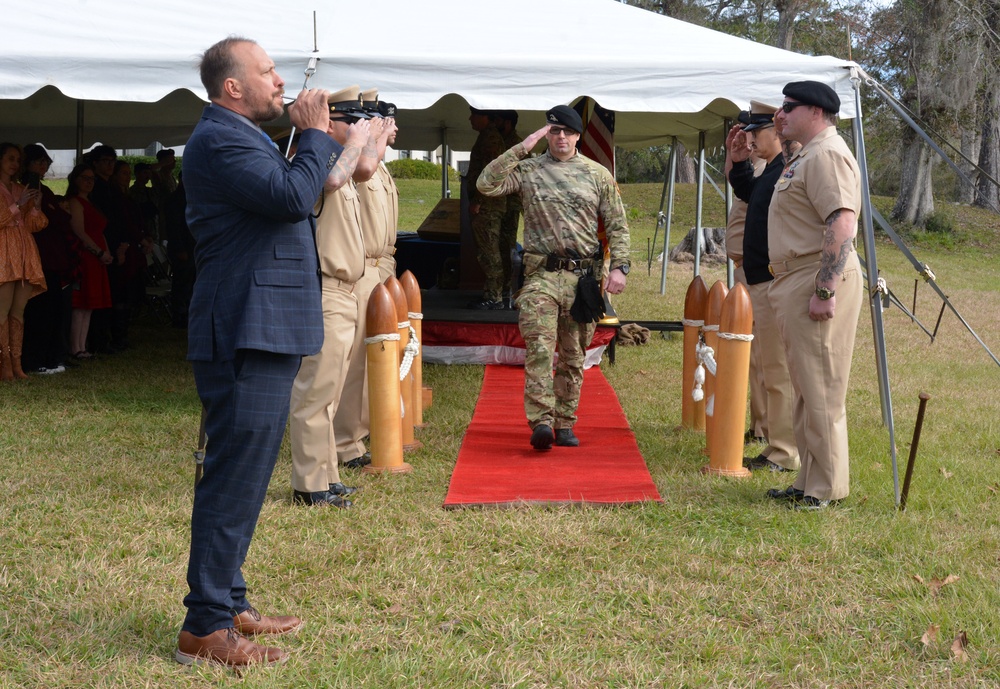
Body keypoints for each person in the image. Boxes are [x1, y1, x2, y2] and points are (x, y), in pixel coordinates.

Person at [175, 36, 341, 669]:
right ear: (233, 88)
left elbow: (293, 191)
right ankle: (205, 626)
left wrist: (326, 143)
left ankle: (229, 598)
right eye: (268, 71)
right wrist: (312, 133)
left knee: (245, 473)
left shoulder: (241, 137)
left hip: (262, 323)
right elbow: (291, 197)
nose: (280, 81)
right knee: (233, 474)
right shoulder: (219, 138)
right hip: (244, 325)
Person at [477, 105, 630, 450]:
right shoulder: (529, 169)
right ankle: (541, 422)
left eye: (568, 131)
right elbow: (486, 184)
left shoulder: (597, 174)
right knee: (540, 350)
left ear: (577, 136)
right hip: (541, 277)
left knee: (574, 355)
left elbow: (618, 224)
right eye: (555, 130)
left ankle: (565, 422)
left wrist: (620, 267)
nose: (561, 137)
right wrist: (522, 147)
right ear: (547, 133)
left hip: (583, 280)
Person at [763, 81, 863, 511]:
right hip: (795, 276)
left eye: (789, 107)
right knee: (806, 385)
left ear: (817, 111)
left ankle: (826, 489)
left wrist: (825, 286)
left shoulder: (826, 154)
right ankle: (808, 479)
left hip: (814, 276)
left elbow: (841, 221)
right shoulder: (805, 154)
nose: (779, 115)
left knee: (821, 385)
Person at [288, 85, 375, 507]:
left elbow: (361, 170)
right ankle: (308, 483)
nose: (358, 129)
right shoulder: (314, 160)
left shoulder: (343, 159)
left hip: (344, 290)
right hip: (324, 289)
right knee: (315, 392)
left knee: (332, 392)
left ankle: (327, 474)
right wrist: (357, 140)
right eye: (350, 122)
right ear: (328, 122)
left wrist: (364, 140)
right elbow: (332, 179)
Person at [726, 101, 800, 475]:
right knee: (768, 368)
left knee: (777, 369)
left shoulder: (790, 166)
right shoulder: (773, 168)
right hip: (761, 278)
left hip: (776, 280)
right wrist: (737, 161)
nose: (749, 139)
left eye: (756, 133)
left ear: (776, 131)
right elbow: (749, 194)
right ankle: (776, 442)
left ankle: (784, 451)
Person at [330, 89, 400, 472]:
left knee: (375, 356)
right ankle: (346, 443)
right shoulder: (359, 162)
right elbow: (362, 170)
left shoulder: (379, 165)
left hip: (381, 266)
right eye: (379, 119)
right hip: (363, 269)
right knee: (356, 360)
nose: (389, 128)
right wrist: (369, 140)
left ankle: (359, 432)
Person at [20, 144, 77, 375]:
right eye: (38, 162)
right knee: (39, 310)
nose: (43, 167)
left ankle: (51, 356)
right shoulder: (28, 188)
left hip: (52, 256)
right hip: (38, 255)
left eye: (46, 163)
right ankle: (36, 359)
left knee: (53, 309)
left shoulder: (44, 189)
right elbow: (43, 219)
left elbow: (59, 217)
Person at [0, 142, 48, 380]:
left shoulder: (21, 189)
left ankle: (17, 364)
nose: (15, 164)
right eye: (10, 158)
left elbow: (34, 225)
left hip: (25, 251)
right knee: (2, 311)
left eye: (17, 160)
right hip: (3, 253)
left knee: (18, 312)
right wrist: (18, 205)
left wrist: (36, 207)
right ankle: (5, 365)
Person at [64, 163, 112, 360]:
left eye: (92, 179)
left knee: (89, 306)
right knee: (81, 304)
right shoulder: (75, 202)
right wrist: (99, 252)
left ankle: (82, 346)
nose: (89, 182)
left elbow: (100, 231)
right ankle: (75, 347)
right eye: (85, 178)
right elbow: (79, 231)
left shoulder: (91, 203)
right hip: (87, 257)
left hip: (98, 257)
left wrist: (106, 252)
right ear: (75, 179)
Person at [465, 107, 508, 309]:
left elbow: (491, 174)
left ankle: (495, 297)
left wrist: (479, 200)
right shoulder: (487, 136)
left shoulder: (490, 138)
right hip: (489, 204)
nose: (470, 119)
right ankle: (491, 294)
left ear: (484, 117)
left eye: (474, 114)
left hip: (488, 205)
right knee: (487, 250)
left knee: (490, 251)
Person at [495, 110, 523, 305]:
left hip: (511, 204)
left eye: (497, 119)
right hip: (501, 203)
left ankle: (507, 289)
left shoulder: (516, 145)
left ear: (507, 122)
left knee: (507, 248)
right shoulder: (502, 139)